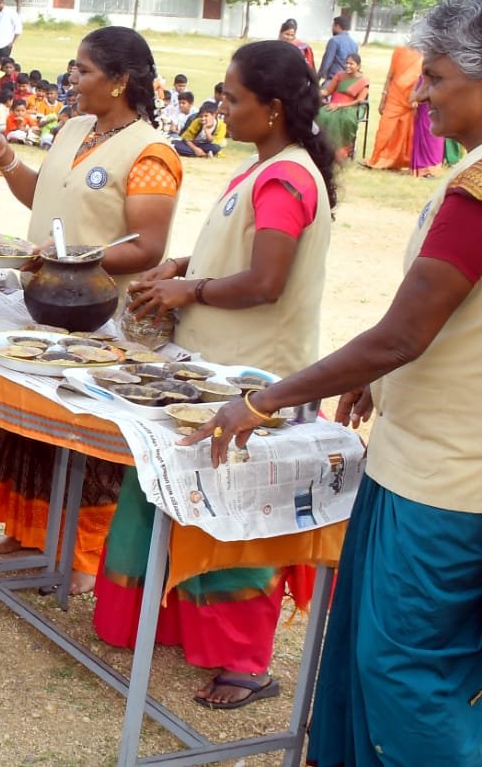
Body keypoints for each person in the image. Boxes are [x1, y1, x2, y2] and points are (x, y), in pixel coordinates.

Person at [183, 0, 482, 763]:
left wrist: (263, 400)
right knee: (375, 655)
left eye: (438, 78)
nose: (420, 95)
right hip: (422, 457)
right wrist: (381, 380)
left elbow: (406, 330)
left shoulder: (477, 194)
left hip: (446, 483)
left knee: (404, 668)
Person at [125, 38, 337, 709]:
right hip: (219, 367)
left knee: (237, 519)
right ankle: (184, 629)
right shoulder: (268, 168)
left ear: (272, 108)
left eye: (232, 97)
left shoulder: (285, 177)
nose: (220, 106)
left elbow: (267, 279)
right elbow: (240, 251)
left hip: (254, 375)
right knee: (195, 502)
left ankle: (245, 662)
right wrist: (183, 266)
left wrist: (193, 291)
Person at [0, 26, 182, 593]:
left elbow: (148, 246)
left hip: (103, 314)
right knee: (36, 421)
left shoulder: (150, 151)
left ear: (119, 82)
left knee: (87, 430)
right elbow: (46, 198)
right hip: (49, 302)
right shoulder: (74, 129)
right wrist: (8, 160)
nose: (73, 78)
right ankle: (29, 530)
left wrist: (76, 259)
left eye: (84, 70)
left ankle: (82, 552)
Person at [363, 44, 421, 171]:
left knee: (406, 132)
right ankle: (377, 159)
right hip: (394, 97)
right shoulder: (399, 51)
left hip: (410, 101)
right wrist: (383, 98)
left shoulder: (424, 55)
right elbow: (390, 75)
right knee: (385, 130)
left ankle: (399, 161)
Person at [316, 54, 369, 160]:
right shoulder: (340, 75)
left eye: (351, 64)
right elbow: (327, 91)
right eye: (347, 63)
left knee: (345, 119)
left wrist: (340, 105)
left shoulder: (364, 80)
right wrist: (313, 92)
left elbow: (359, 100)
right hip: (334, 103)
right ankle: (322, 147)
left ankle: (342, 150)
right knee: (322, 115)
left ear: (358, 66)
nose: (348, 66)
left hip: (352, 107)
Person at [410, 75, 445, 177]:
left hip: (437, 108)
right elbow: (416, 91)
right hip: (424, 109)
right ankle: (423, 169)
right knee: (425, 136)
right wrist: (415, 100)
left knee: (435, 138)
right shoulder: (424, 76)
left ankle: (432, 169)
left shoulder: (443, 76)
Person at [318, 14, 359, 83]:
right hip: (348, 81)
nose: (332, 28)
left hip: (334, 79)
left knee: (319, 93)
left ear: (337, 26)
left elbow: (327, 61)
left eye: (333, 26)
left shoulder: (334, 41)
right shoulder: (354, 44)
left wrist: (318, 76)